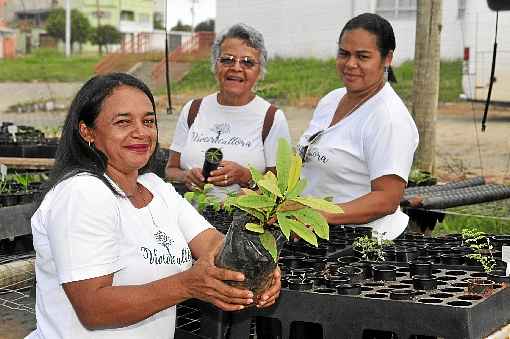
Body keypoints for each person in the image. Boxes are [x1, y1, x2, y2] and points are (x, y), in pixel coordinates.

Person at [27, 73, 281, 339]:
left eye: (148, 121)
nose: (141, 132)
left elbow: (212, 244)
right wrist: (187, 285)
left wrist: (259, 266)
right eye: (123, 122)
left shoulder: (155, 187)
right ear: (87, 131)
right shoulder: (81, 193)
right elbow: (93, 309)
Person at [297, 13, 419, 241]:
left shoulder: (389, 118)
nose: (350, 64)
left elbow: (386, 199)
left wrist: (320, 214)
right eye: (344, 54)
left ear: (387, 58)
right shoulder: (331, 100)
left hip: (366, 243)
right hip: (320, 234)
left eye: (363, 56)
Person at [165, 23, 291, 199]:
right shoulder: (193, 109)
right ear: (215, 65)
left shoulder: (272, 118)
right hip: (189, 216)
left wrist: (245, 176)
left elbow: (280, 187)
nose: (237, 68)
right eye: (227, 59)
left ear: (259, 71)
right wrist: (186, 176)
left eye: (247, 62)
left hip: (243, 222)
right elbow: (170, 170)